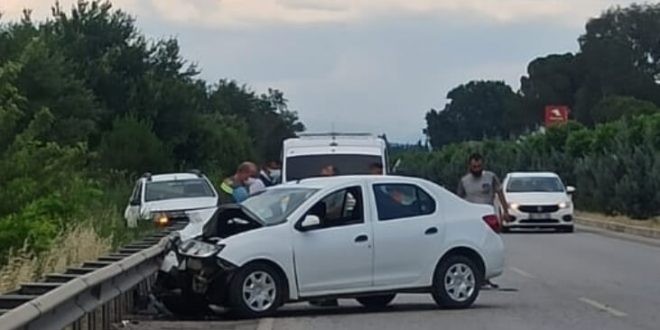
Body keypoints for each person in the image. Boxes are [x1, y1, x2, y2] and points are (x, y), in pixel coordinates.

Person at [456, 153, 510, 289]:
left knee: (488, 247)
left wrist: (505, 211)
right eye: (474, 166)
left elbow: (500, 193)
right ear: (469, 166)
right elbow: (458, 200)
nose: (476, 169)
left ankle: (487, 277)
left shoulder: (490, 177)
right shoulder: (464, 181)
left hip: (488, 219)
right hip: (470, 220)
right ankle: (477, 277)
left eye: (479, 166)